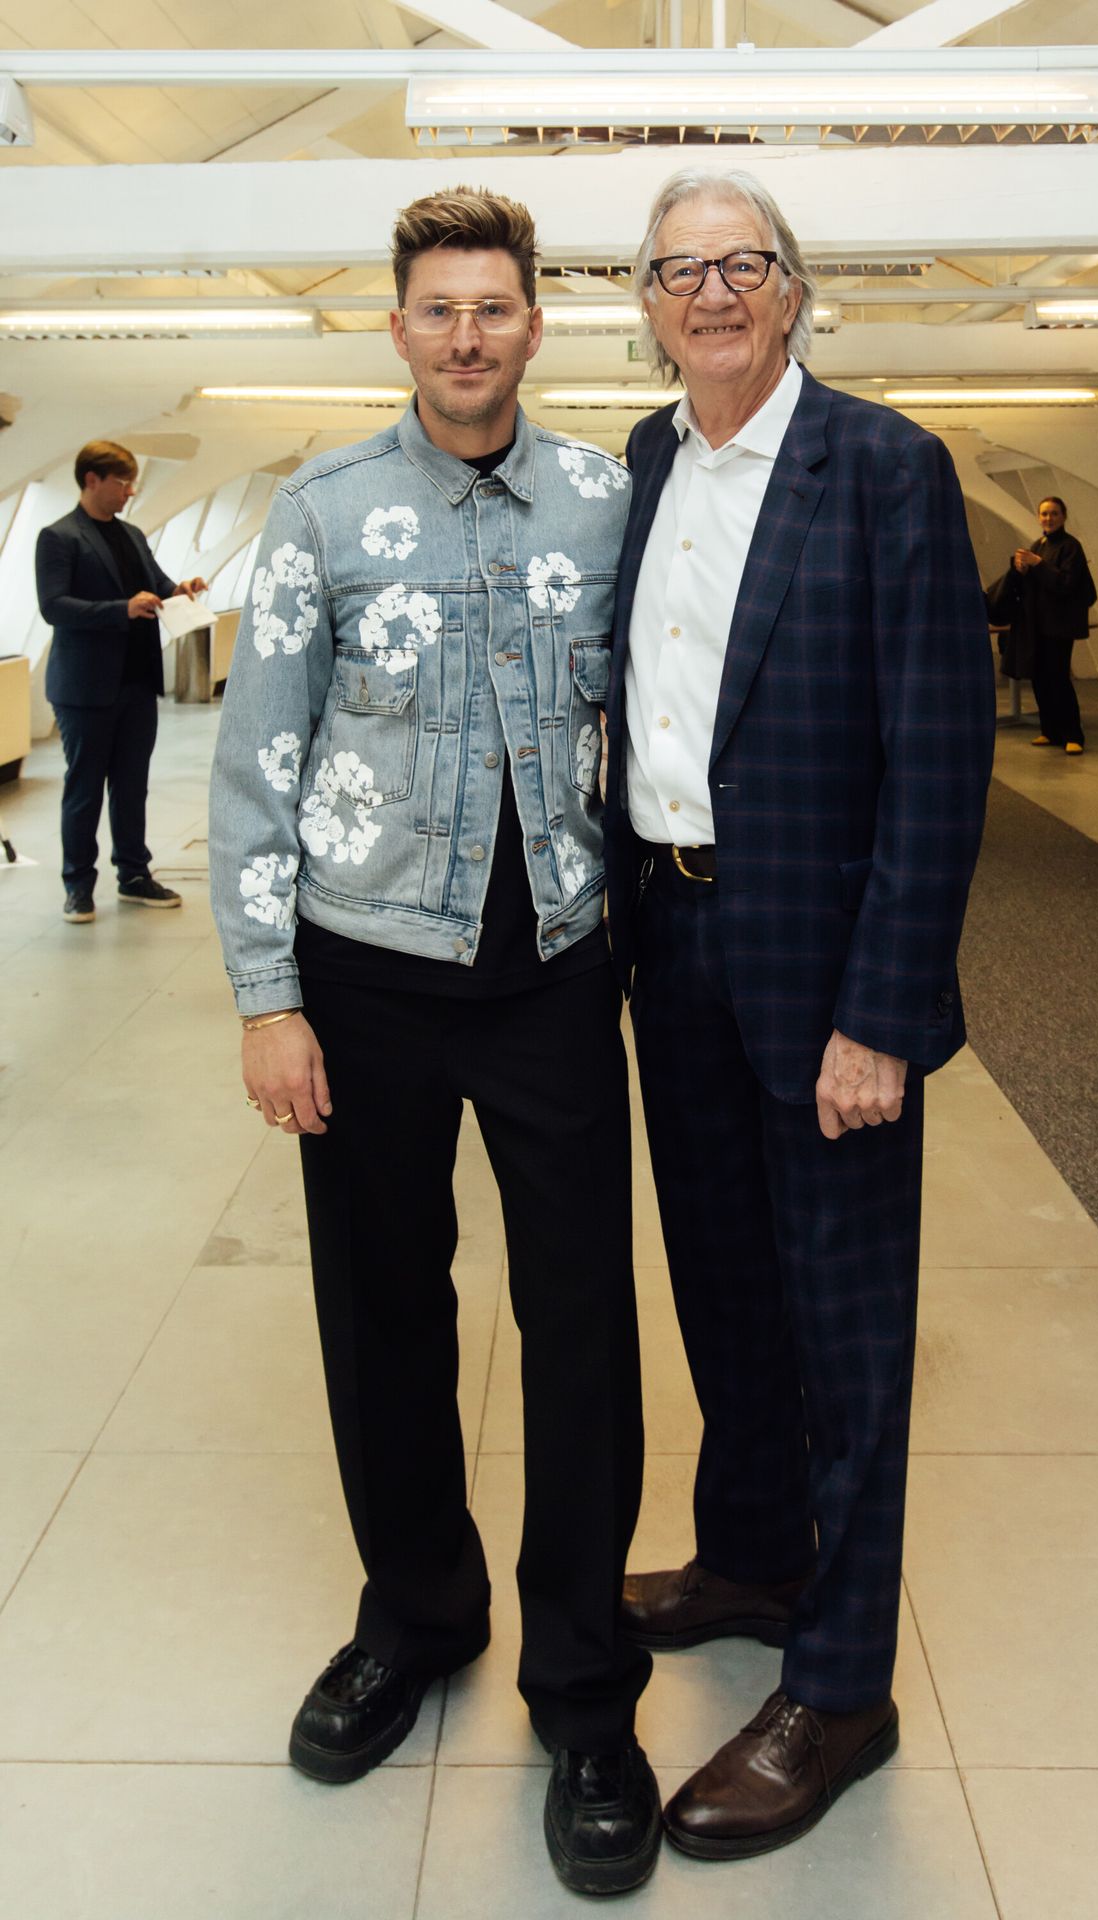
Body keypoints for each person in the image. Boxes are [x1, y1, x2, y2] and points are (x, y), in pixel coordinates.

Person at [208, 187, 660, 1897]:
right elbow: (253, 761)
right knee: (384, 1312)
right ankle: (417, 1612)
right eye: (437, 308)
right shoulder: (322, 515)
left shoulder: (610, 506)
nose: (468, 333)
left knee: (584, 1330)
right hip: (368, 974)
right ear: (397, 329)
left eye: (497, 305)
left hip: (553, 968)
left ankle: (584, 1683)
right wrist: (268, 994)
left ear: (538, 325)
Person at [603, 168, 994, 1861]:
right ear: (645, 300)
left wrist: (886, 1013)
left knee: (847, 1341)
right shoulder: (642, 458)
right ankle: (754, 1554)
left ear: (793, 289)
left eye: (740, 264)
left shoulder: (886, 469)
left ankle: (839, 1686)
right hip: (669, 945)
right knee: (721, 1286)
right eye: (679, 269)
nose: (710, 292)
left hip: (826, 974)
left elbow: (940, 762)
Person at [35, 441, 205, 922]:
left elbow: (159, 583)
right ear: (91, 480)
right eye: (122, 482)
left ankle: (133, 874)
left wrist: (183, 590)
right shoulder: (59, 537)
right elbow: (54, 606)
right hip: (85, 690)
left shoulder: (130, 534)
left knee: (132, 787)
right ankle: (78, 885)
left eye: (132, 482)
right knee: (85, 788)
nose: (130, 491)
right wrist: (121, 610)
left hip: (136, 683)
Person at [1011, 496, 1095, 753]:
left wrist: (1038, 564)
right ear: (1039, 517)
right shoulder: (1039, 544)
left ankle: (1073, 735)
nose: (1049, 518)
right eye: (1045, 514)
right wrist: (1022, 570)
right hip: (1038, 624)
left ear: (1064, 516)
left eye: (1054, 513)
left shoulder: (1071, 547)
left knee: (1058, 679)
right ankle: (1049, 730)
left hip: (1059, 626)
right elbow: (1032, 584)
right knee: (1040, 678)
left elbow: (1066, 583)